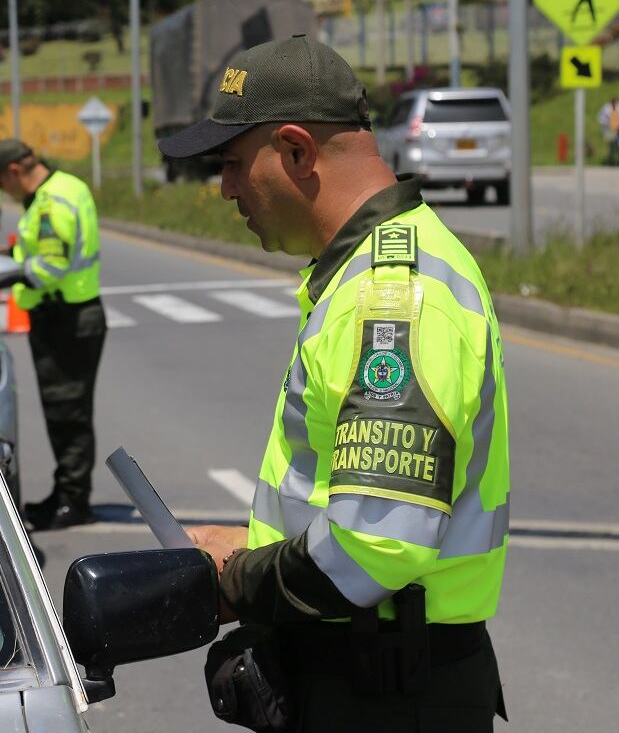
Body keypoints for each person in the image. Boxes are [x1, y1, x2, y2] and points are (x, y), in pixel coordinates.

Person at [160, 35, 510, 731]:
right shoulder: (377, 271)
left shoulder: (389, 301)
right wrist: (253, 546)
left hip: (382, 691)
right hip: (378, 671)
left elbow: (376, 542)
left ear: (296, 150)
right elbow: (364, 510)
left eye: (232, 163)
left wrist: (237, 581)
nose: (225, 188)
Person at [0, 139, 107, 530]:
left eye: (2, 181)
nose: (4, 190)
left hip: (64, 316)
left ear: (14, 171)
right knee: (65, 412)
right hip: (71, 313)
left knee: (67, 411)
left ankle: (74, 501)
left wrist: (4, 272)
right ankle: (65, 492)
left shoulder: (51, 201)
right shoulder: (65, 187)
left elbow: (53, 264)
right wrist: (16, 253)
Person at [598, 97, 619, 166]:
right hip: (610, 129)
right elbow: (601, 117)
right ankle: (611, 160)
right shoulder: (606, 109)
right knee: (611, 145)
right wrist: (606, 124)